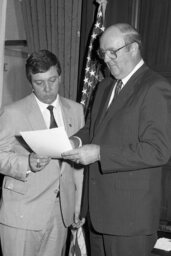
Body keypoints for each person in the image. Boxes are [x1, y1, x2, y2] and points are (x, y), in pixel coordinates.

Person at [62, 23, 171, 256]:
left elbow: (158, 150)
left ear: (133, 48)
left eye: (113, 52)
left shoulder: (155, 87)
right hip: (98, 215)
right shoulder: (103, 87)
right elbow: (92, 129)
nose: (106, 59)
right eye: (103, 53)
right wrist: (75, 142)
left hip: (129, 220)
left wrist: (100, 153)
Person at [0, 49, 84, 256]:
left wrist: (78, 205)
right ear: (30, 82)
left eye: (52, 80)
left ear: (60, 77)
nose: (47, 88)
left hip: (60, 213)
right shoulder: (13, 112)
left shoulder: (76, 110)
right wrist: (27, 162)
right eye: (39, 83)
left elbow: (79, 165)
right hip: (22, 213)